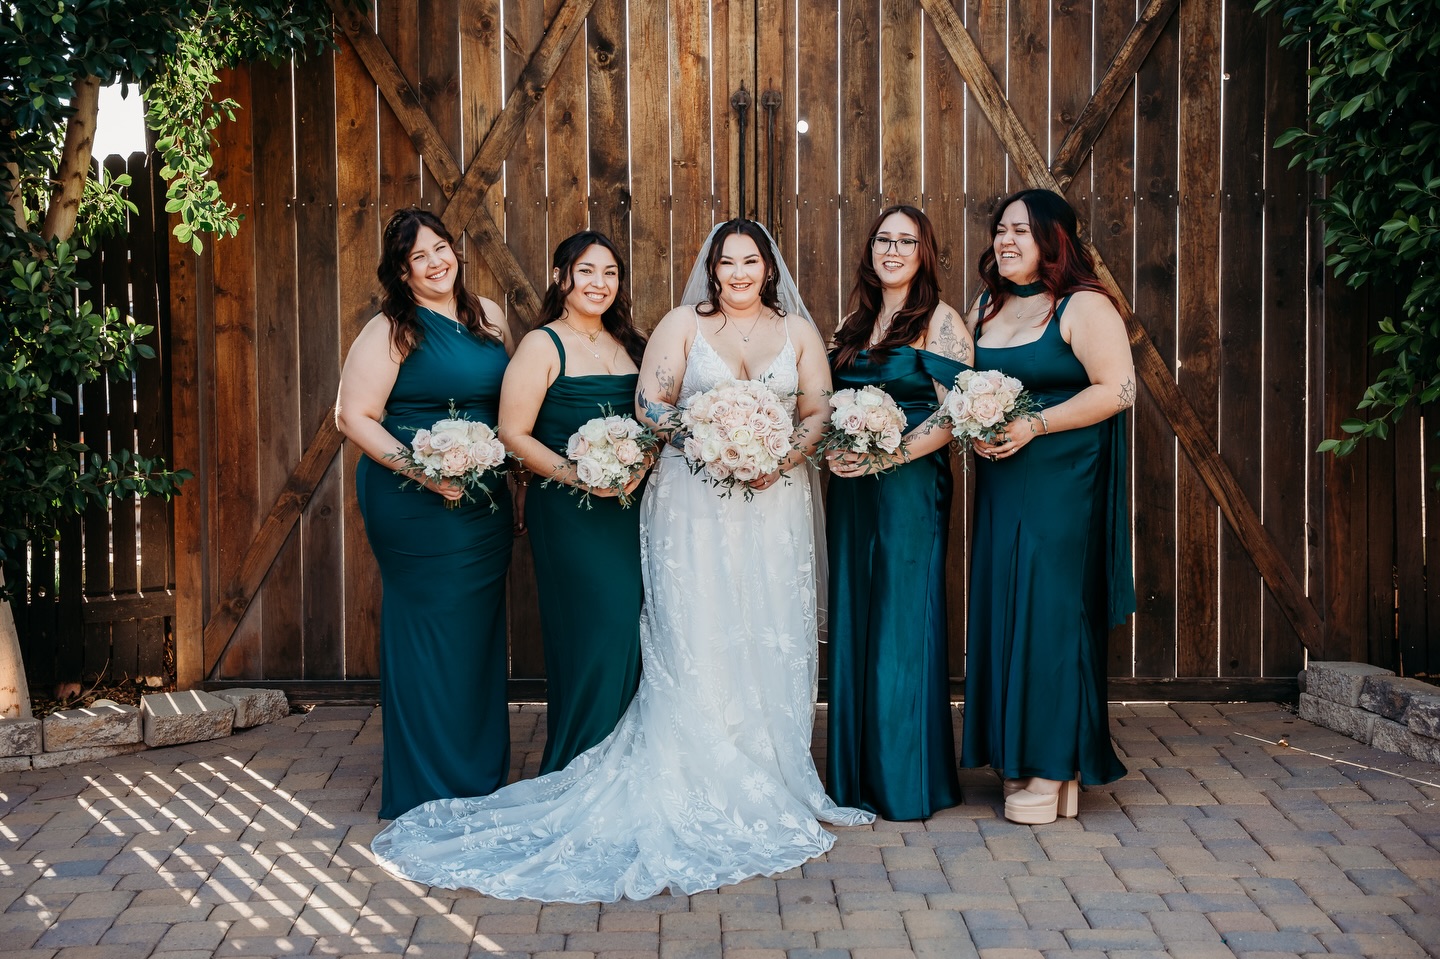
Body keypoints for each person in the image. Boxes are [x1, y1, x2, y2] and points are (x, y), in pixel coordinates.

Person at [370, 219, 873, 902]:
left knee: (767, 626)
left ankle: (768, 763)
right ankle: (644, 759)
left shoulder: (792, 333)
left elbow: (815, 409)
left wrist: (776, 453)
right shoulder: (674, 327)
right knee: (690, 629)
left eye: (750, 261)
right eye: (726, 262)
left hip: (771, 508)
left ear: (768, 269)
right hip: (691, 503)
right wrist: (707, 437)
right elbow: (652, 406)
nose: (738, 273)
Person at [960, 188, 1135, 825]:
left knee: (1052, 614)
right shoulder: (984, 304)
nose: (1005, 240)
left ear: (1052, 241)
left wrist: (1037, 425)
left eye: (1021, 232)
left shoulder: (1082, 306)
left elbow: (1119, 389)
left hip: (1064, 482)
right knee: (1006, 608)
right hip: (1002, 483)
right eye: (1000, 229)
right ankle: (1028, 758)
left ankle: (1056, 763)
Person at [336, 208, 516, 820]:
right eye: (420, 256)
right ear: (403, 271)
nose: (436, 262)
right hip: (412, 500)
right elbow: (352, 416)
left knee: (477, 630)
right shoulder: (391, 328)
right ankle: (426, 780)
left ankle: (478, 772)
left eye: (441, 248)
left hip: (484, 497)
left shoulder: (489, 315)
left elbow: (510, 403)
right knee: (428, 626)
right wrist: (424, 470)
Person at [823, 205, 972, 821]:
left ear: (923, 252)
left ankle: (905, 779)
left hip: (910, 486)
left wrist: (891, 456)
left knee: (902, 623)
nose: (892, 249)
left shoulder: (941, 322)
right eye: (883, 238)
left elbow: (953, 412)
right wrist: (836, 450)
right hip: (853, 491)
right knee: (857, 616)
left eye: (906, 241)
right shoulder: (854, 323)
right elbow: (829, 402)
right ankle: (855, 778)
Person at [497, 231, 647, 775]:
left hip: (630, 511)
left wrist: (639, 464)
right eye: (587, 271)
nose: (599, 284)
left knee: (633, 629)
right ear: (562, 277)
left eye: (610, 273)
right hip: (568, 512)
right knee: (596, 633)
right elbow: (513, 432)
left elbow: (654, 421)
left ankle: (625, 765)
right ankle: (582, 765)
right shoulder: (543, 345)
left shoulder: (631, 344)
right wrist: (583, 477)